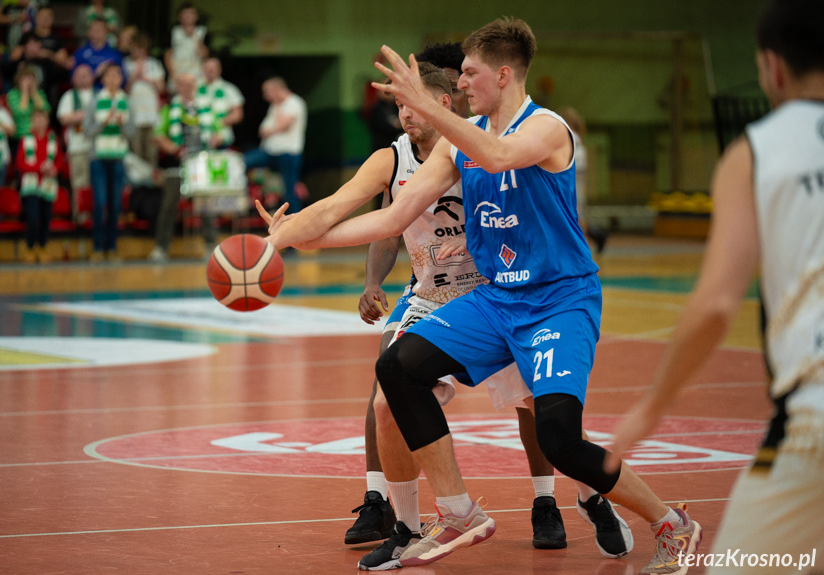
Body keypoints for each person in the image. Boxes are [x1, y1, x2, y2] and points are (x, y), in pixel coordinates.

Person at [261, 18, 702, 573]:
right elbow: (395, 216)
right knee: (397, 368)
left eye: (469, 73)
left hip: (559, 299)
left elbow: (496, 155)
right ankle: (458, 511)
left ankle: (670, 523)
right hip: (496, 300)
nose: (462, 81)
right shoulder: (453, 145)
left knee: (561, 439)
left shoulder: (548, 129)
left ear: (503, 73)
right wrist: (297, 236)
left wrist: (431, 104)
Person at [607, 1, 824, 573]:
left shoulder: (757, 150)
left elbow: (716, 305)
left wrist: (652, 408)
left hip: (814, 415)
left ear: (772, 68)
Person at [148, 73, 224, 263]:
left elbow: (219, 132)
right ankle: (161, 248)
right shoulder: (168, 109)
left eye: (190, 83)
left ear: (195, 85)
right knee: (168, 206)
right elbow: (157, 135)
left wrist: (216, 138)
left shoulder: (206, 108)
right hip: (177, 164)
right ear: (177, 86)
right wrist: (174, 149)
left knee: (206, 206)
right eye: (182, 83)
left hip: (201, 164)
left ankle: (210, 246)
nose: (187, 87)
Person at [84, 63, 134, 262]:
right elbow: (87, 130)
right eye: (109, 76)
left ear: (121, 79)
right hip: (98, 158)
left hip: (118, 158)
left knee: (115, 204)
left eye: (117, 76)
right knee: (100, 202)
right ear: (103, 79)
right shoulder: (95, 100)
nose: (113, 80)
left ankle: (112, 247)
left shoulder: (126, 101)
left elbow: (132, 132)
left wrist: (122, 123)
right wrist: (103, 123)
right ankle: (97, 247)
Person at [244, 76, 307, 212]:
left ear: (277, 89)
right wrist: (272, 128)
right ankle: (247, 201)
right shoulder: (274, 105)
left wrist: (272, 126)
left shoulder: (294, 103)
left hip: (288, 153)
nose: (265, 96)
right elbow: (262, 131)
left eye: (267, 92)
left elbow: (282, 126)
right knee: (243, 161)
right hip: (270, 151)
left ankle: (294, 222)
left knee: (289, 189)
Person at [557, 106, 608, 254]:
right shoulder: (578, 141)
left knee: (575, 220)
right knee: (578, 219)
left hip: (571, 186)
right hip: (578, 186)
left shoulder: (569, 139)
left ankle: (579, 253)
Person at [16, 108, 64, 264]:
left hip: (48, 185)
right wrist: (39, 168)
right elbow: (20, 163)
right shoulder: (26, 139)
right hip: (31, 185)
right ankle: (30, 247)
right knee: (32, 216)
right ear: (32, 122)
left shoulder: (53, 139)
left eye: (42, 119)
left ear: (47, 121)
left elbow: (59, 160)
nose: (39, 122)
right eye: (36, 119)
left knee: (46, 217)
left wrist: (55, 169)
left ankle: (42, 247)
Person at [123, 32, 165, 169]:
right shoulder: (125, 64)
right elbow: (124, 91)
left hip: (151, 116)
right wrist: (135, 75)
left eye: (141, 49)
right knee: (135, 152)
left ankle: (152, 185)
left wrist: (146, 77)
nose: (138, 52)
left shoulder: (154, 64)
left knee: (151, 152)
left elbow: (161, 88)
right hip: (134, 116)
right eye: (135, 48)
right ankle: (137, 185)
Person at [57, 64, 95, 195]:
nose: (83, 78)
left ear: (92, 77)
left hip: (97, 148)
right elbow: (63, 119)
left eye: (86, 75)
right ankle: (81, 215)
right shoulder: (69, 96)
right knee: (79, 183)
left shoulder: (100, 94)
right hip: (77, 146)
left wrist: (81, 115)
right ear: (73, 79)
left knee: (97, 184)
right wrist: (84, 116)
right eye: (79, 76)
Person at [196, 57, 244, 149]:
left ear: (219, 69)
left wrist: (217, 123)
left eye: (213, 68)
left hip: (222, 137)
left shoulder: (229, 89)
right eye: (207, 68)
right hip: (198, 138)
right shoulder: (195, 88)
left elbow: (238, 115)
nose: (210, 71)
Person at [164, 2, 208, 90]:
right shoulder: (173, 32)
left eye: (191, 14)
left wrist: (195, 37)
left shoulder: (203, 32)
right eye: (185, 14)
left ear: (196, 16)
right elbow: (168, 54)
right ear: (179, 17)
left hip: (197, 75)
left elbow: (205, 55)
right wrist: (173, 74)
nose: (187, 17)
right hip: (177, 73)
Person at [73, 17, 123, 88]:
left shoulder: (114, 54)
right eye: (94, 28)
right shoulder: (80, 53)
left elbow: (123, 80)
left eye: (100, 28)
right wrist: (95, 74)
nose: (97, 31)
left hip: (107, 95)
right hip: (85, 94)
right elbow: (73, 78)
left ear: (107, 31)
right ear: (88, 32)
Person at [6, 65, 50, 145]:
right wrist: (25, 92)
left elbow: (45, 111)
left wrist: (34, 93)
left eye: (31, 78)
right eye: (25, 79)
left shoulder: (40, 93)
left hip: (40, 135)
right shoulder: (13, 94)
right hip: (21, 136)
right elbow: (20, 113)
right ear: (18, 80)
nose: (29, 82)